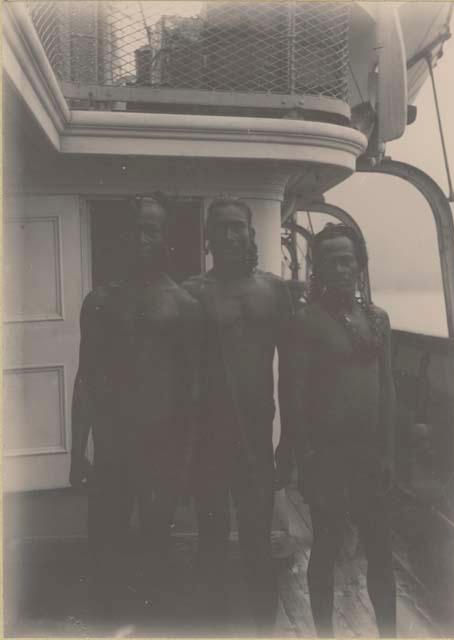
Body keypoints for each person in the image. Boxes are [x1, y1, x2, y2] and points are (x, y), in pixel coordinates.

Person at [69, 193, 200, 624]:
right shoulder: (100, 300)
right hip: (112, 451)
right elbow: (86, 377)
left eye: (152, 229)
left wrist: (185, 463)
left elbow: (190, 392)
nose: (143, 238)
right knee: (104, 555)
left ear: (165, 237)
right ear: (123, 236)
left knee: (156, 556)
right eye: (136, 229)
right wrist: (76, 452)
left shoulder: (183, 305)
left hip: (161, 450)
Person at [182, 196, 294, 635]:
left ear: (251, 234)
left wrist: (291, 442)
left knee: (257, 545)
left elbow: (291, 373)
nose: (231, 235)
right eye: (222, 227)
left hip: (257, 442)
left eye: (238, 227)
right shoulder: (193, 294)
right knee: (210, 543)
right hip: (209, 442)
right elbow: (181, 380)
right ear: (208, 238)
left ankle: (264, 631)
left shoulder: (274, 291)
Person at [289, 223, 397, 638]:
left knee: (380, 550)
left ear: (360, 265)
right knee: (327, 547)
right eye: (330, 259)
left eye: (346, 258)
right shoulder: (306, 322)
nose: (340, 267)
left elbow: (387, 388)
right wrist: (306, 460)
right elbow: (296, 397)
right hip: (328, 456)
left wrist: (388, 453)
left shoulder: (378, 319)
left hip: (370, 455)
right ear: (317, 267)